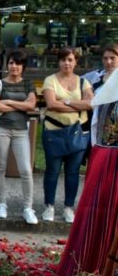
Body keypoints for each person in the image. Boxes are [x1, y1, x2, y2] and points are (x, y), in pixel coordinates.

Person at [56, 44, 118, 276]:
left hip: (109, 153)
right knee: (96, 208)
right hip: (103, 153)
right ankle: (90, 262)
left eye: (113, 58)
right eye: (106, 57)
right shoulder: (98, 84)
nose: (109, 62)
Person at [41, 47, 93, 223]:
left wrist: (67, 101)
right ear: (59, 61)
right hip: (53, 132)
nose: (67, 63)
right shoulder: (50, 80)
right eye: (63, 59)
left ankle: (69, 207)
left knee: (73, 172)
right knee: (52, 171)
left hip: (77, 133)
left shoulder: (83, 82)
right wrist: (77, 104)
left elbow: (90, 104)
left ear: (75, 61)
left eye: (70, 59)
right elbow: (51, 104)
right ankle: (49, 206)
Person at [0, 50, 38, 224]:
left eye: (17, 63)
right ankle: (2, 204)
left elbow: (32, 105)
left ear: (23, 66)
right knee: (0, 167)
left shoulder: (28, 84)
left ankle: (28, 208)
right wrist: (20, 106)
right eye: (11, 63)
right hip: (0, 129)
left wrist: (8, 102)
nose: (14, 66)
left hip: (21, 131)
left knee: (25, 169)